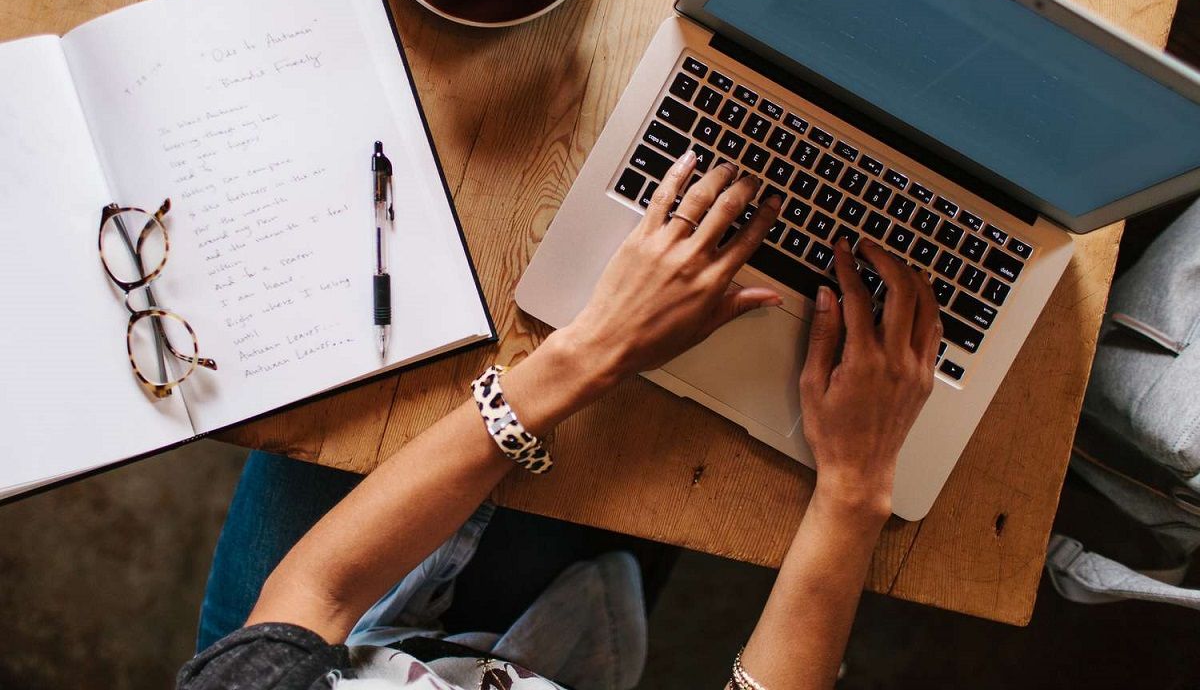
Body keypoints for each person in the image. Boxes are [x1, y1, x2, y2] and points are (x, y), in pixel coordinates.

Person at [178, 153, 941, 690]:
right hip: (539, 665)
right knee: (666, 452)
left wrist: (589, 352)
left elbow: (314, 593)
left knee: (351, 388)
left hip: (331, 643)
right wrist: (852, 490)